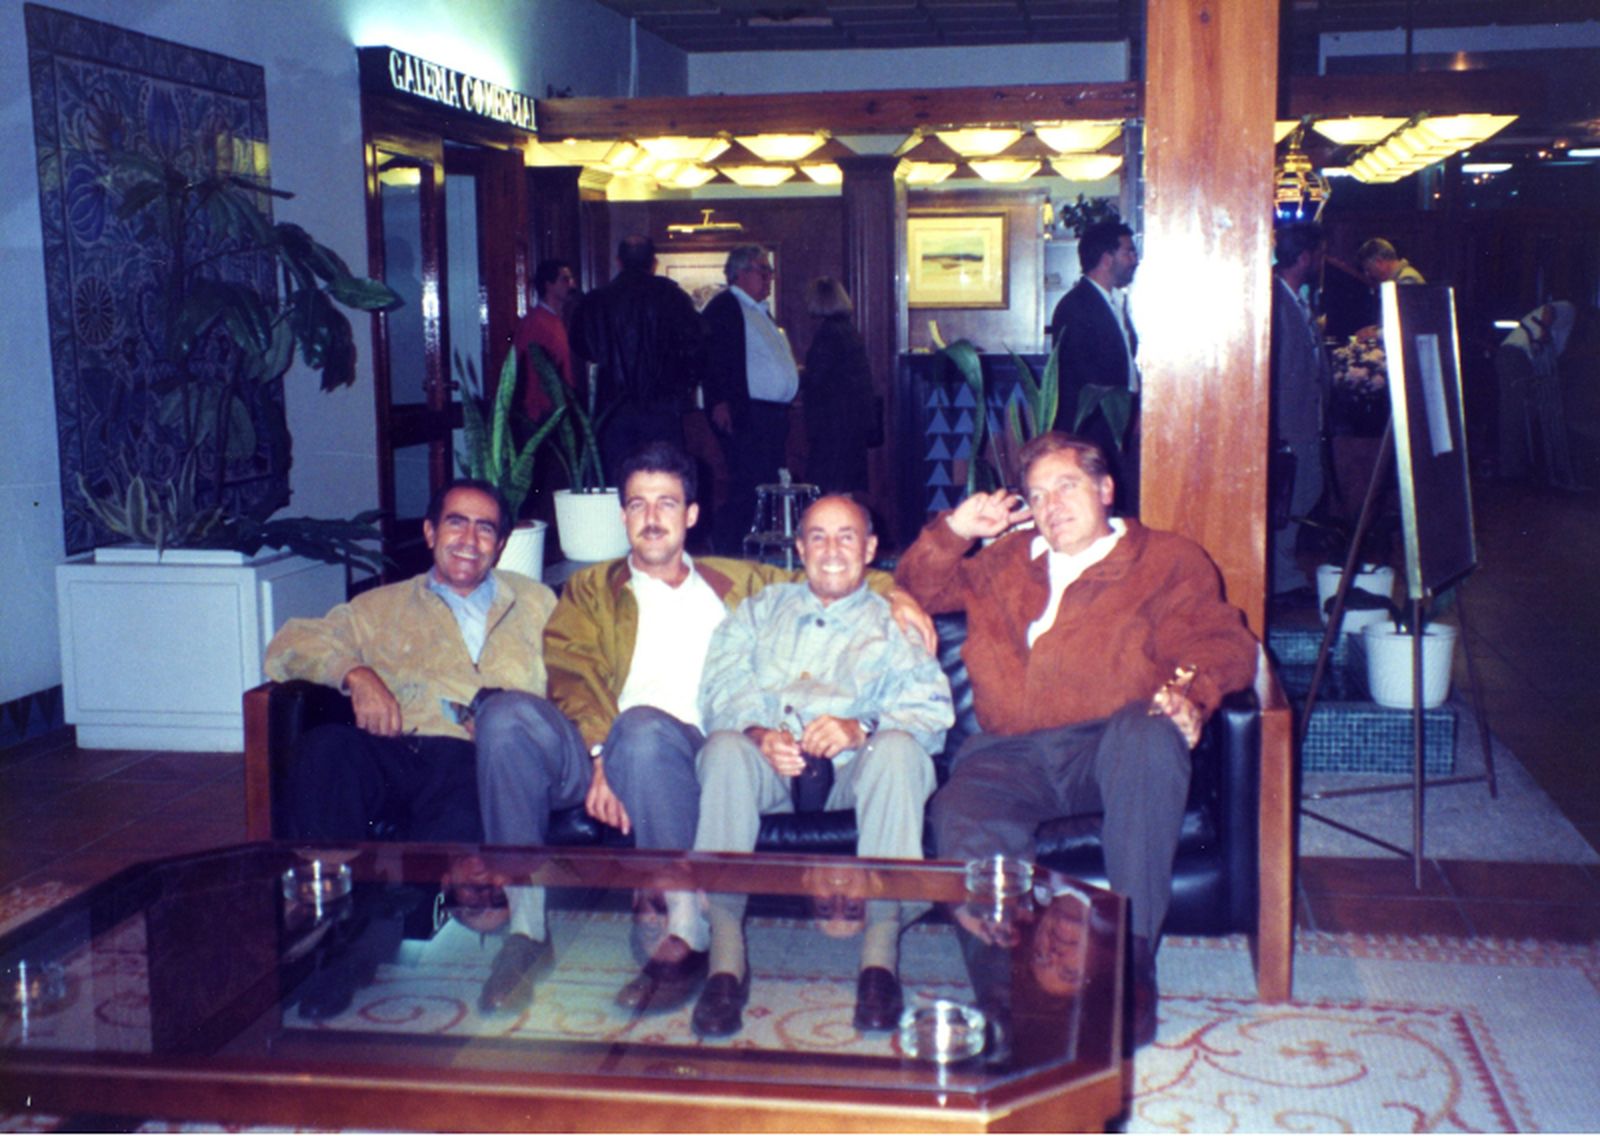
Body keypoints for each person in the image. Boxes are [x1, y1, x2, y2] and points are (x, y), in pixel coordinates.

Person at [480, 444, 936, 1017]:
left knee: (644, 733)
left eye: (666, 504)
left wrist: (899, 594)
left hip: (681, 748)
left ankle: (687, 927)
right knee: (504, 718)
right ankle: (525, 930)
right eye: (638, 504)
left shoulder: (739, 584)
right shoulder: (589, 590)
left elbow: (829, 569)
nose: (651, 518)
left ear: (690, 515)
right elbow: (570, 674)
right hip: (598, 741)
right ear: (622, 515)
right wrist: (600, 753)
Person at [893, 432, 1257, 1050]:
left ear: (1105, 489)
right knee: (960, 810)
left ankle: (1129, 969)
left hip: (1109, 743)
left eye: (1067, 487)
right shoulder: (1005, 562)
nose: (1051, 505)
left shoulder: (1166, 560)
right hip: (1008, 754)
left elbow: (1219, 640)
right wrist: (957, 529)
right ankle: (1005, 993)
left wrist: (1189, 694)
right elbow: (919, 583)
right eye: (1037, 495)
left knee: (1149, 731)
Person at [263, 477, 558, 1015]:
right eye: (455, 522)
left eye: (485, 527)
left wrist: (522, 726)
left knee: (458, 814)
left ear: (501, 541)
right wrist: (355, 673)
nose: (469, 539)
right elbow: (287, 644)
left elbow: (576, 678)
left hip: (482, 760)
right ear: (429, 532)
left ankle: (367, 949)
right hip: (400, 747)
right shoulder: (381, 606)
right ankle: (327, 927)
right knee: (326, 750)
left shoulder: (537, 604)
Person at [686, 495, 954, 1039]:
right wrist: (759, 735)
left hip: (858, 775)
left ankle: (879, 960)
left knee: (901, 749)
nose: (832, 549)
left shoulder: (894, 621)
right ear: (801, 547)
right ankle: (725, 961)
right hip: (770, 773)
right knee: (722, 750)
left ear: (871, 549)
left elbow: (932, 712)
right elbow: (718, 690)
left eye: (847, 536)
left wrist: (863, 727)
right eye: (818, 536)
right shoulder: (760, 610)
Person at [569, 235, 705, 477]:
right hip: (661, 408)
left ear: (618, 261)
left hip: (612, 411)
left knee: (617, 483)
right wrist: (681, 388)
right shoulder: (672, 297)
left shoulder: (596, 302)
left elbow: (581, 346)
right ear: (652, 262)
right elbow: (697, 347)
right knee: (663, 478)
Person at [702, 245, 801, 553]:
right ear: (741, 274)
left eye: (769, 271)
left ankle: (753, 548)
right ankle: (729, 548)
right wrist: (719, 401)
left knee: (764, 484)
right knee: (748, 485)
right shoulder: (725, 307)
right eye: (763, 270)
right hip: (746, 413)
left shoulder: (757, 310)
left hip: (770, 415)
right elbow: (712, 358)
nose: (769, 277)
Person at [1047, 219, 1141, 514]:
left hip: (1117, 433)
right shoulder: (1076, 307)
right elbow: (1089, 382)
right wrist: (1130, 417)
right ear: (1106, 258)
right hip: (1095, 436)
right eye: (1128, 252)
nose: (1134, 260)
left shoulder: (1110, 303)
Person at [1271, 221, 1332, 597]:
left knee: (1306, 493)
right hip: (1288, 425)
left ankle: (1285, 572)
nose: (1322, 261)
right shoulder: (1275, 302)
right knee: (1290, 501)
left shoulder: (1298, 298)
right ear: (1304, 257)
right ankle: (1283, 578)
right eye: (1319, 255)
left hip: (1307, 422)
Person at [800, 276, 873, 495]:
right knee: (845, 490)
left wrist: (798, 374)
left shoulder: (828, 333)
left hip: (833, 427)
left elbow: (816, 377)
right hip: (851, 424)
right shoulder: (849, 331)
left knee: (829, 489)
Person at [512, 258, 577, 421]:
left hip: (557, 412)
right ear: (549, 285)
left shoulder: (555, 320)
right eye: (565, 280)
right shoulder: (535, 323)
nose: (572, 285)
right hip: (541, 415)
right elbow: (527, 373)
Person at [1356, 238, 1425, 288]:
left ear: (1379, 262)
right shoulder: (1400, 278)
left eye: (1369, 269)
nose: (1368, 274)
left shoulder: (1407, 280)